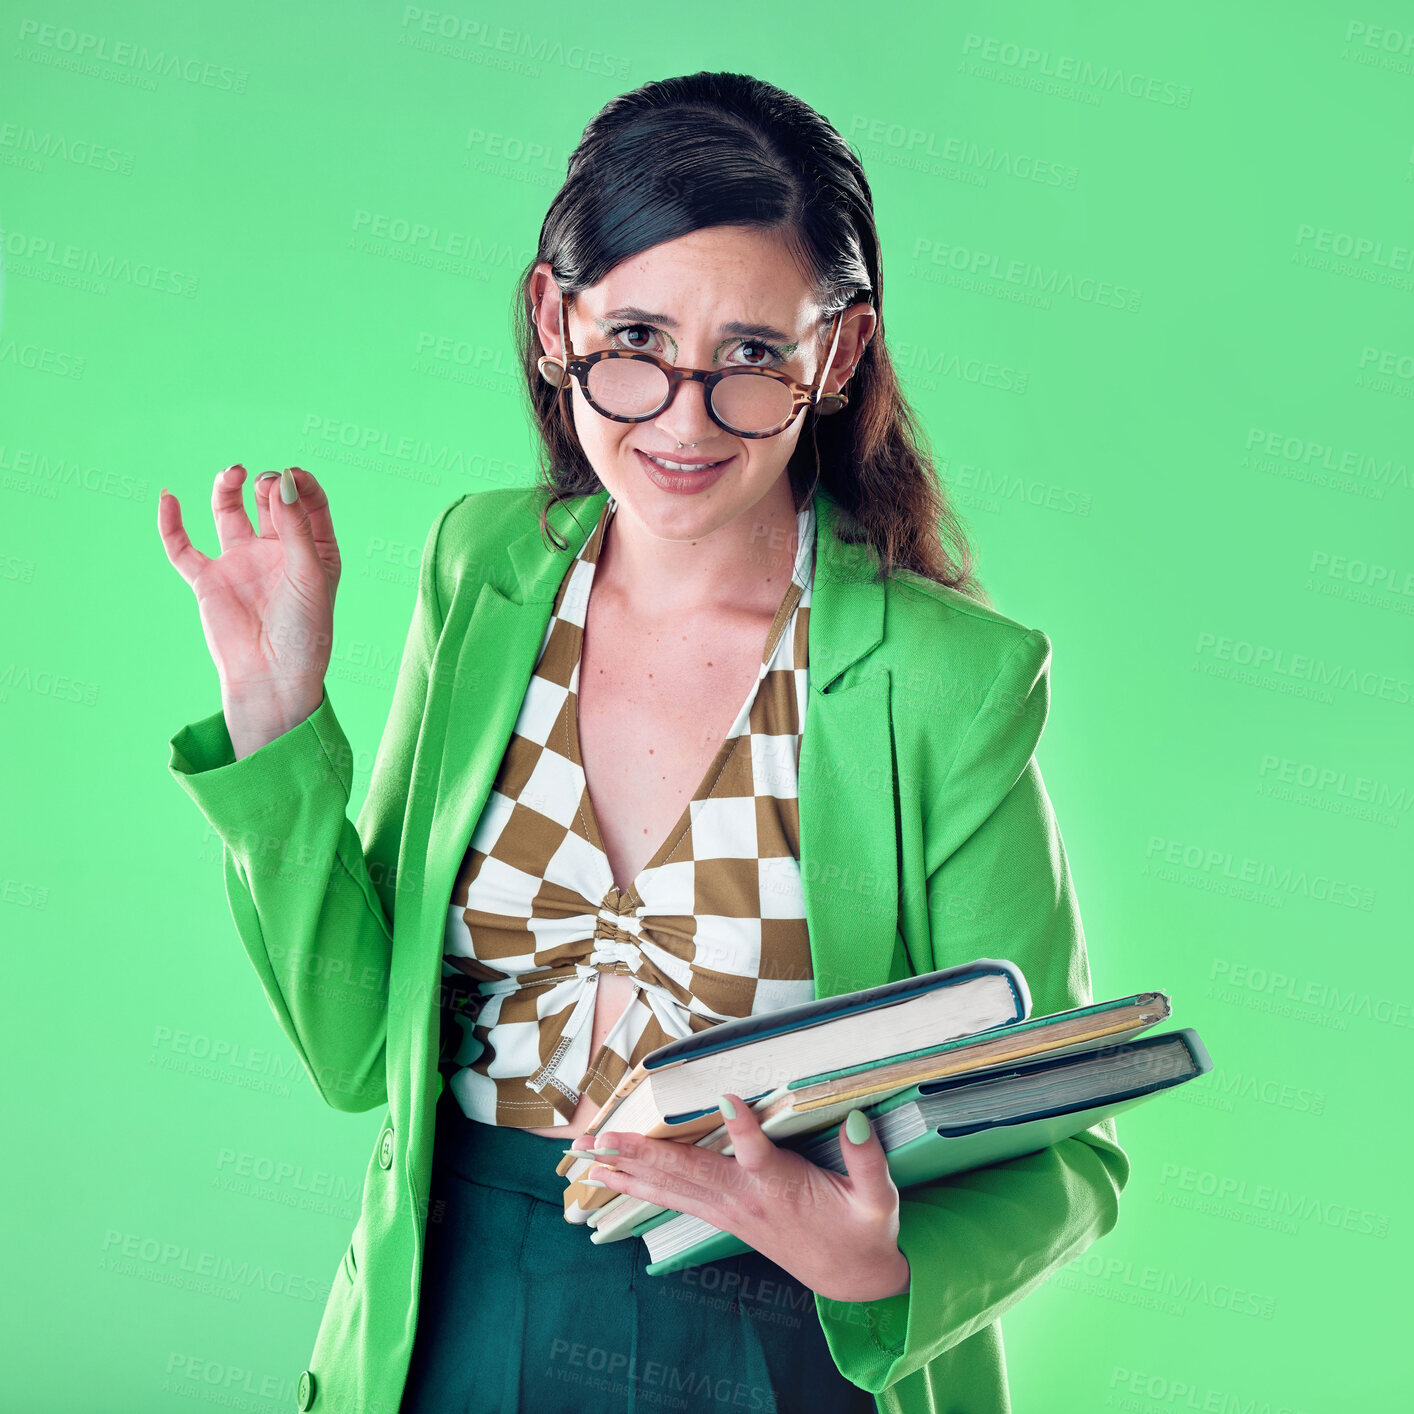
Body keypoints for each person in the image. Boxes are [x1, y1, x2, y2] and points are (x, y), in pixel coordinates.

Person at [158, 71, 1128, 1414]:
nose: (680, 419)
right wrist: (277, 710)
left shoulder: (943, 678)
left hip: (782, 1341)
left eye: (747, 356)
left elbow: (1066, 1142)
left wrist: (878, 1264)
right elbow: (352, 1051)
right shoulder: (484, 569)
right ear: (556, 321)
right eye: (634, 340)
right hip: (456, 1310)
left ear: (835, 356)